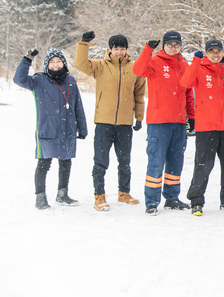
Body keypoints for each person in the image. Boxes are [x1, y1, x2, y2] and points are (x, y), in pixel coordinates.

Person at [76, 31, 146, 211]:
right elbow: (81, 63)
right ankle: (99, 196)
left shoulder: (134, 68)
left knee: (125, 160)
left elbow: (139, 95)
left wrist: (139, 117)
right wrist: (84, 44)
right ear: (110, 49)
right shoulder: (100, 66)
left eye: (122, 49)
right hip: (104, 122)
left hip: (124, 123)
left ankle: (124, 193)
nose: (119, 52)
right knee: (101, 161)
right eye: (116, 49)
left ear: (127, 49)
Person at [14, 48, 88, 209]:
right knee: (43, 163)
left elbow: (77, 106)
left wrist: (82, 127)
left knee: (66, 162)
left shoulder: (71, 80)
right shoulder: (39, 80)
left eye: (59, 61)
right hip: (47, 129)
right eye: (52, 62)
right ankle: (40, 197)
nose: (55, 65)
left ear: (63, 63)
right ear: (47, 64)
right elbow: (19, 79)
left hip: (67, 129)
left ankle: (62, 194)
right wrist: (27, 59)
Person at [133, 31, 196, 215]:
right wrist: (147, 49)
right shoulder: (154, 61)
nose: (174, 47)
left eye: (177, 44)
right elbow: (138, 70)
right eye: (170, 44)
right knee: (156, 162)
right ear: (164, 45)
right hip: (158, 122)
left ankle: (172, 198)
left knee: (176, 163)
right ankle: (152, 201)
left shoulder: (184, 65)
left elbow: (188, 94)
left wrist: (191, 117)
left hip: (178, 122)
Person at [180, 39, 224, 216]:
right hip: (206, 127)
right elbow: (185, 83)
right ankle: (196, 201)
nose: (216, 54)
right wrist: (195, 61)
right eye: (212, 51)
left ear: (222, 52)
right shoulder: (199, 69)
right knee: (203, 165)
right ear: (206, 53)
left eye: (218, 51)